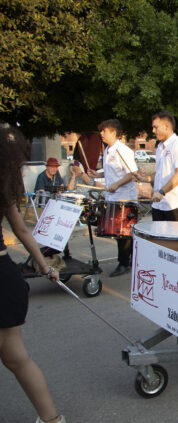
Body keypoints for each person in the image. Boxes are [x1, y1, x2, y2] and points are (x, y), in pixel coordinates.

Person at [0, 126, 66, 423]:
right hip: (6, 278)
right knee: (16, 357)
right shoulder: (1, 187)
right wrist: (43, 265)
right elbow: (22, 229)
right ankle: (52, 419)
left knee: (16, 356)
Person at [87, 119, 138, 277]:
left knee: (124, 233)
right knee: (118, 233)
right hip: (113, 196)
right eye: (101, 131)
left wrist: (116, 185)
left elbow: (131, 173)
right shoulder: (108, 149)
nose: (101, 134)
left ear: (114, 133)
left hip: (125, 197)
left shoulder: (123, 150)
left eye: (105, 131)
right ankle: (128, 260)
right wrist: (98, 174)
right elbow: (112, 171)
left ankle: (124, 263)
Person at [136, 111, 178, 221]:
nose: (153, 131)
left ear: (166, 126)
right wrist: (143, 179)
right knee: (158, 237)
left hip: (175, 204)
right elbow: (159, 173)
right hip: (158, 204)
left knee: (175, 238)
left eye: (155, 127)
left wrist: (161, 192)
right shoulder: (160, 147)